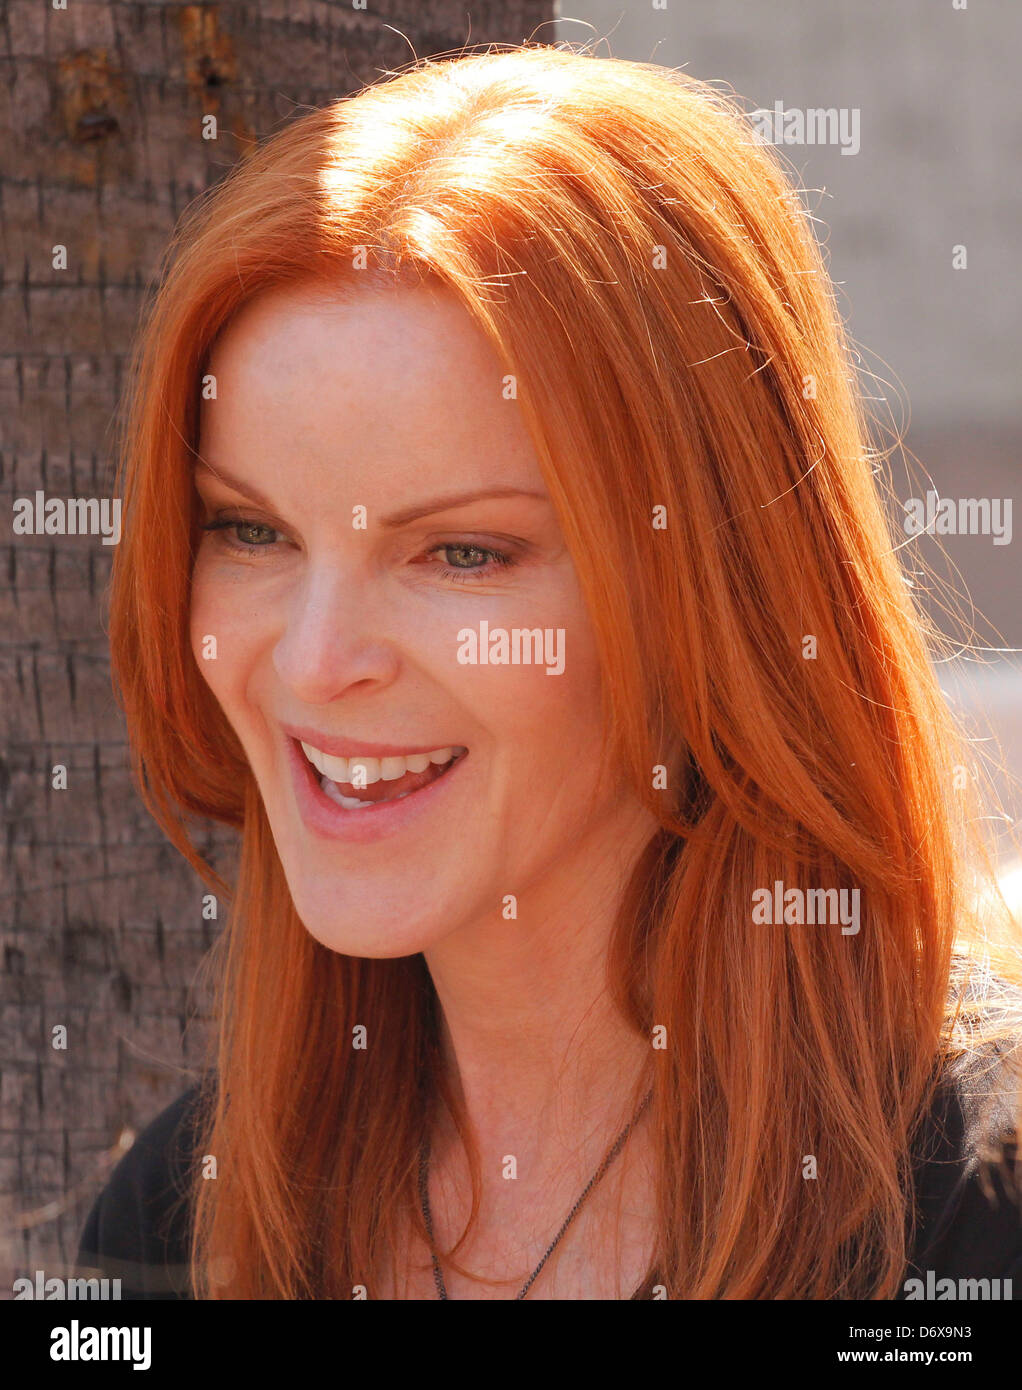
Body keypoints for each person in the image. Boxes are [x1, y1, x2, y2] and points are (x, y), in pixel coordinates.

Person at [76, 43, 1022, 1299]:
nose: (314, 661)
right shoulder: (170, 1224)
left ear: (714, 588)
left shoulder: (972, 1220)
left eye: (461, 551)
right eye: (251, 531)